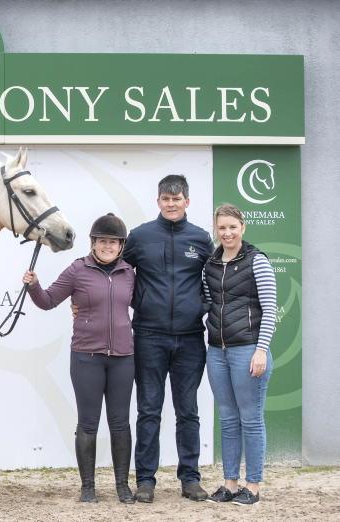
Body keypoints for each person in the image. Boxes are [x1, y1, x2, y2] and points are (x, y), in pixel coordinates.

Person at [112, 175, 213, 503]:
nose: (171, 204)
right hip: (149, 336)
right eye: (166, 199)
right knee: (149, 410)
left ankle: (190, 479)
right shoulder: (140, 236)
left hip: (190, 338)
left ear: (187, 201)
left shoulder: (201, 238)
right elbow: (117, 275)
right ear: (158, 202)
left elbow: (215, 278)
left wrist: (201, 306)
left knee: (188, 411)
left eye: (177, 198)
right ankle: (145, 481)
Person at [23, 213, 136, 504]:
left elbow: (143, 306)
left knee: (120, 423)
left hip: (123, 358)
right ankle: (88, 487)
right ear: (93, 242)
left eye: (113, 242)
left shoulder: (129, 273)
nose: (107, 246)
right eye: (102, 241)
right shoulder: (77, 270)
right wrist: (34, 286)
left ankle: (123, 486)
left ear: (121, 246)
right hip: (87, 358)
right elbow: (48, 301)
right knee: (88, 423)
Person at [202, 204, 276, 506]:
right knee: (228, 419)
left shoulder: (257, 261)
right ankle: (230, 484)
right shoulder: (210, 264)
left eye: (233, 227)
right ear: (216, 230)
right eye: (222, 228)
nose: (227, 233)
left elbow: (269, 309)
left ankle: (253, 486)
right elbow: (209, 303)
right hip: (216, 352)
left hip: (248, 350)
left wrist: (261, 350)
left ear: (242, 227)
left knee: (251, 419)